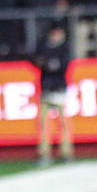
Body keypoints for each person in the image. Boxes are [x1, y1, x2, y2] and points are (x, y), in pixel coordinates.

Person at [33, 21, 73, 165]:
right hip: (46, 89)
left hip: (60, 88)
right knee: (43, 124)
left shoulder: (64, 47)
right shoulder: (44, 45)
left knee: (63, 122)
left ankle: (67, 152)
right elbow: (35, 59)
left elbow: (62, 65)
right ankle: (44, 153)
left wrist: (50, 64)